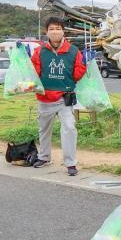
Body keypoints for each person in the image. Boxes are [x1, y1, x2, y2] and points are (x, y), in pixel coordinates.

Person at [30, 16, 87, 176]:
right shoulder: (39, 51)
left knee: (69, 128)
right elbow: (35, 72)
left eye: (58, 28)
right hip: (44, 98)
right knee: (44, 129)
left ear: (63, 31)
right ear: (46, 32)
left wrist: (85, 64)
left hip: (64, 98)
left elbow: (77, 74)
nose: (55, 32)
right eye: (51, 29)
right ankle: (44, 157)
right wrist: (23, 58)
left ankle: (70, 163)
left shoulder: (74, 51)